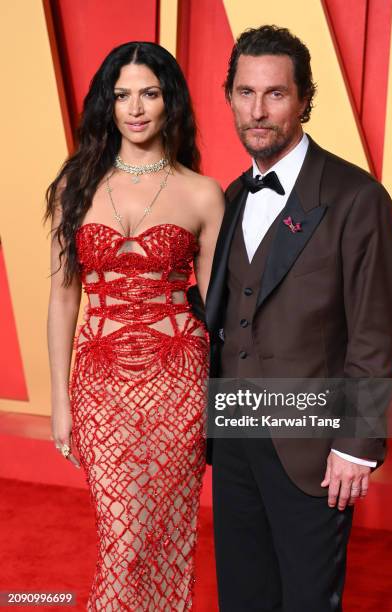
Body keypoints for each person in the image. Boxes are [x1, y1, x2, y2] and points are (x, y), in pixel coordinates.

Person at [203, 26, 392, 611]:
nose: (257, 110)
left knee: (308, 601)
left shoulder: (356, 197)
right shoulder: (233, 195)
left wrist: (357, 444)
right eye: (245, 93)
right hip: (234, 437)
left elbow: (374, 334)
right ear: (230, 98)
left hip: (313, 447)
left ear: (304, 100)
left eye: (275, 94)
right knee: (243, 596)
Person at [45, 41, 223, 610]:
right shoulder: (76, 187)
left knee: (163, 537)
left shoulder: (202, 192)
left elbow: (220, 311)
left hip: (178, 384)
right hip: (98, 386)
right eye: (123, 95)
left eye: (149, 93)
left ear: (170, 100)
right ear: (108, 104)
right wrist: (60, 399)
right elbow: (62, 299)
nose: (136, 108)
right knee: (123, 540)